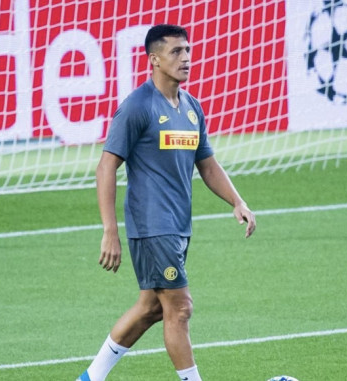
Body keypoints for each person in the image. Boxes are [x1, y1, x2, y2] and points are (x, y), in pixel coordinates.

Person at [77, 24, 256, 381]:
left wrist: (237, 201)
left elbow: (206, 163)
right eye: (175, 52)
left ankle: (90, 378)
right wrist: (109, 231)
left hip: (177, 227)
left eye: (187, 50)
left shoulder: (191, 108)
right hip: (151, 225)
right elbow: (105, 167)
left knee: (150, 309)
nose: (186, 57)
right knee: (180, 308)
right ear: (153, 60)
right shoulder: (137, 107)